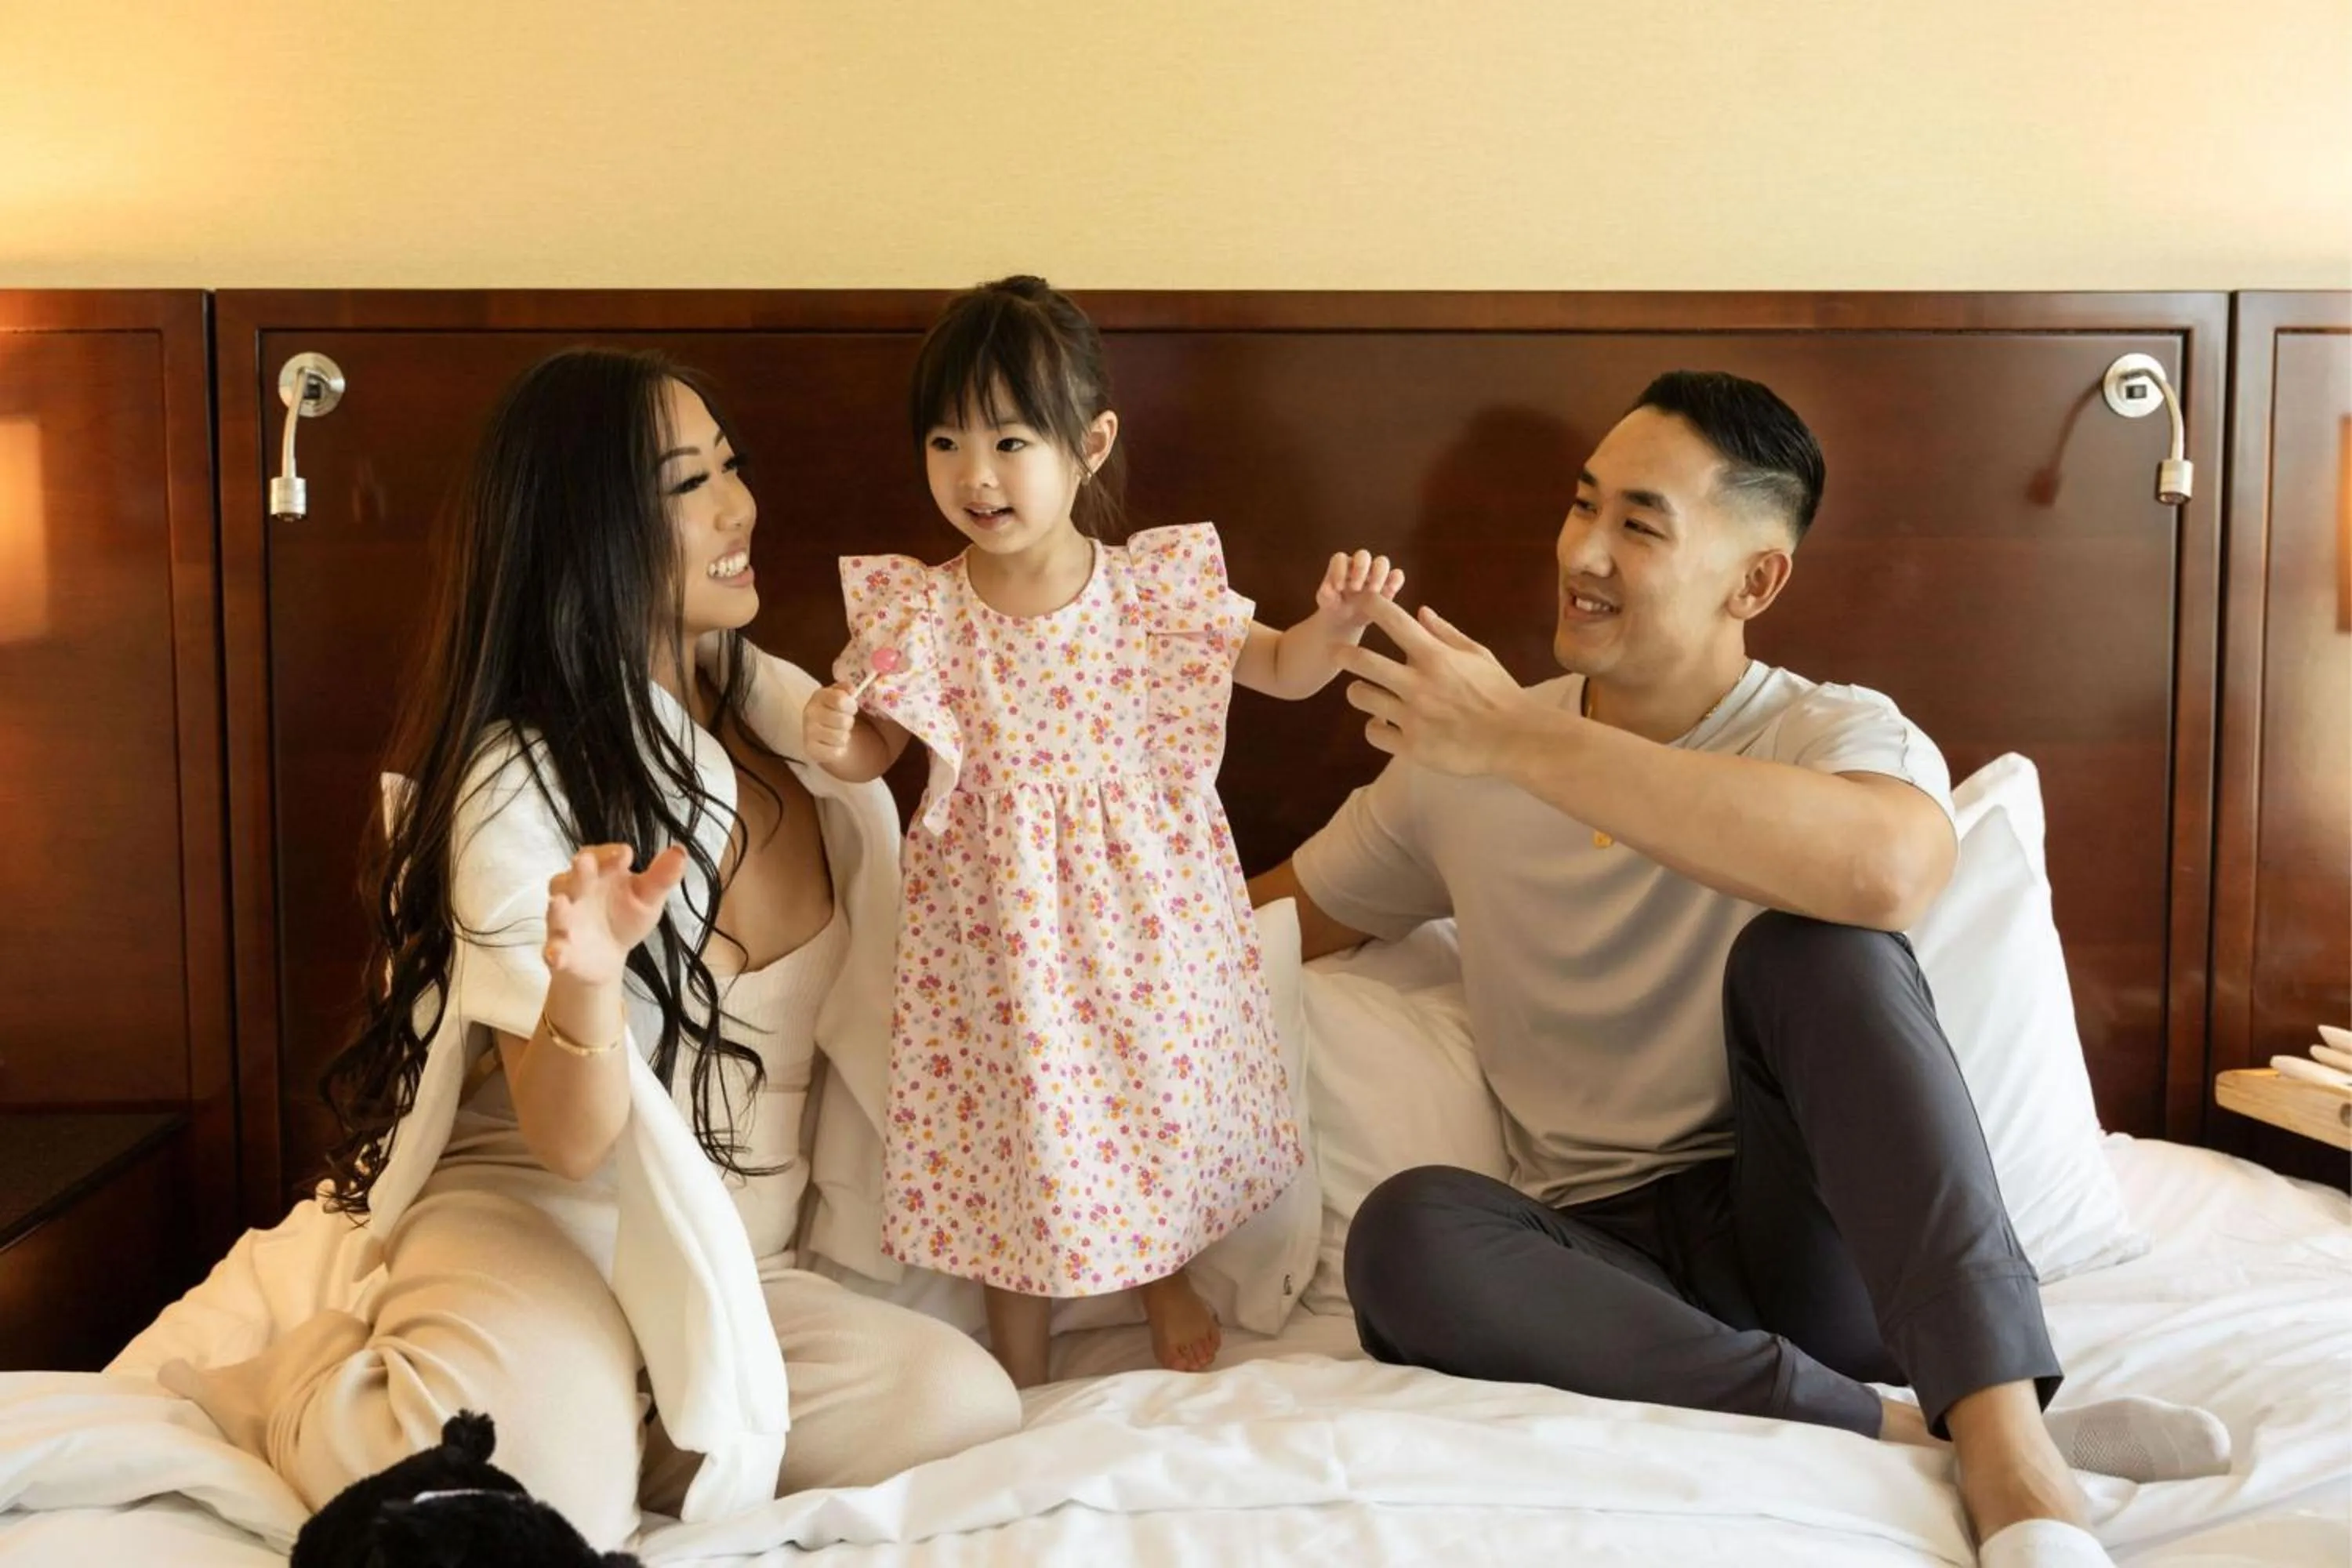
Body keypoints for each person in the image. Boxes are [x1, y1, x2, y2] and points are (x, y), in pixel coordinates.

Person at [1254, 371, 2226, 1567]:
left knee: (1816, 944)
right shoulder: (1454, 767)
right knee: (1404, 1235)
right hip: (1604, 1270)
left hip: (1809, 1229)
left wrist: (1521, 739)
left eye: (1639, 525)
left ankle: (2010, 1450)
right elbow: (1264, 925)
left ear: (1756, 579)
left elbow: (1887, 876)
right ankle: (1902, 1423)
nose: (1584, 552)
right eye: (1581, 507)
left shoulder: (1830, 731)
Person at [162, 347, 1022, 1550]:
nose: (741, 509)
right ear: (589, 529)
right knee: (544, 1513)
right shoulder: (521, 775)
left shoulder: (806, 733)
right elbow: (568, 1141)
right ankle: (303, 1385)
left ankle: (619, 1403)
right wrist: (585, 975)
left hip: (727, 1253)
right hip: (543, 1215)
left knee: (960, 1405)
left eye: (733, 467)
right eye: (688, 485)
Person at [801, 275, 1404, 1387]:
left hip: (1140, 921)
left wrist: (1333, 628)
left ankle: (1159, 1271)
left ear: (1090, 444)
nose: (974, 475)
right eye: (945, 442)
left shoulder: (1151, 591)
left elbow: (1273, 668)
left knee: (1144, 1099)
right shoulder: (922, 612)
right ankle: (1020, 1349)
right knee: (1011, 1124)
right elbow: (873, 758)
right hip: (996, 941)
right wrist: (834, 732)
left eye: (1010, 440)